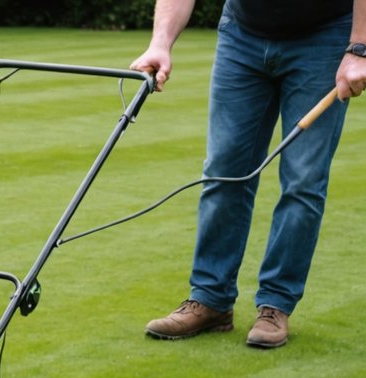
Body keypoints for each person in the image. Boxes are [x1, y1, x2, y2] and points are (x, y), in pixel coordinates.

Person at [131, 0, 366, 348]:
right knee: (223, 172)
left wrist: (359, 47)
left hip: (324, 38)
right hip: (242, 34)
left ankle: (275, 304)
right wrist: (160, 43)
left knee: (303, 180)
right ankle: (211, 298)